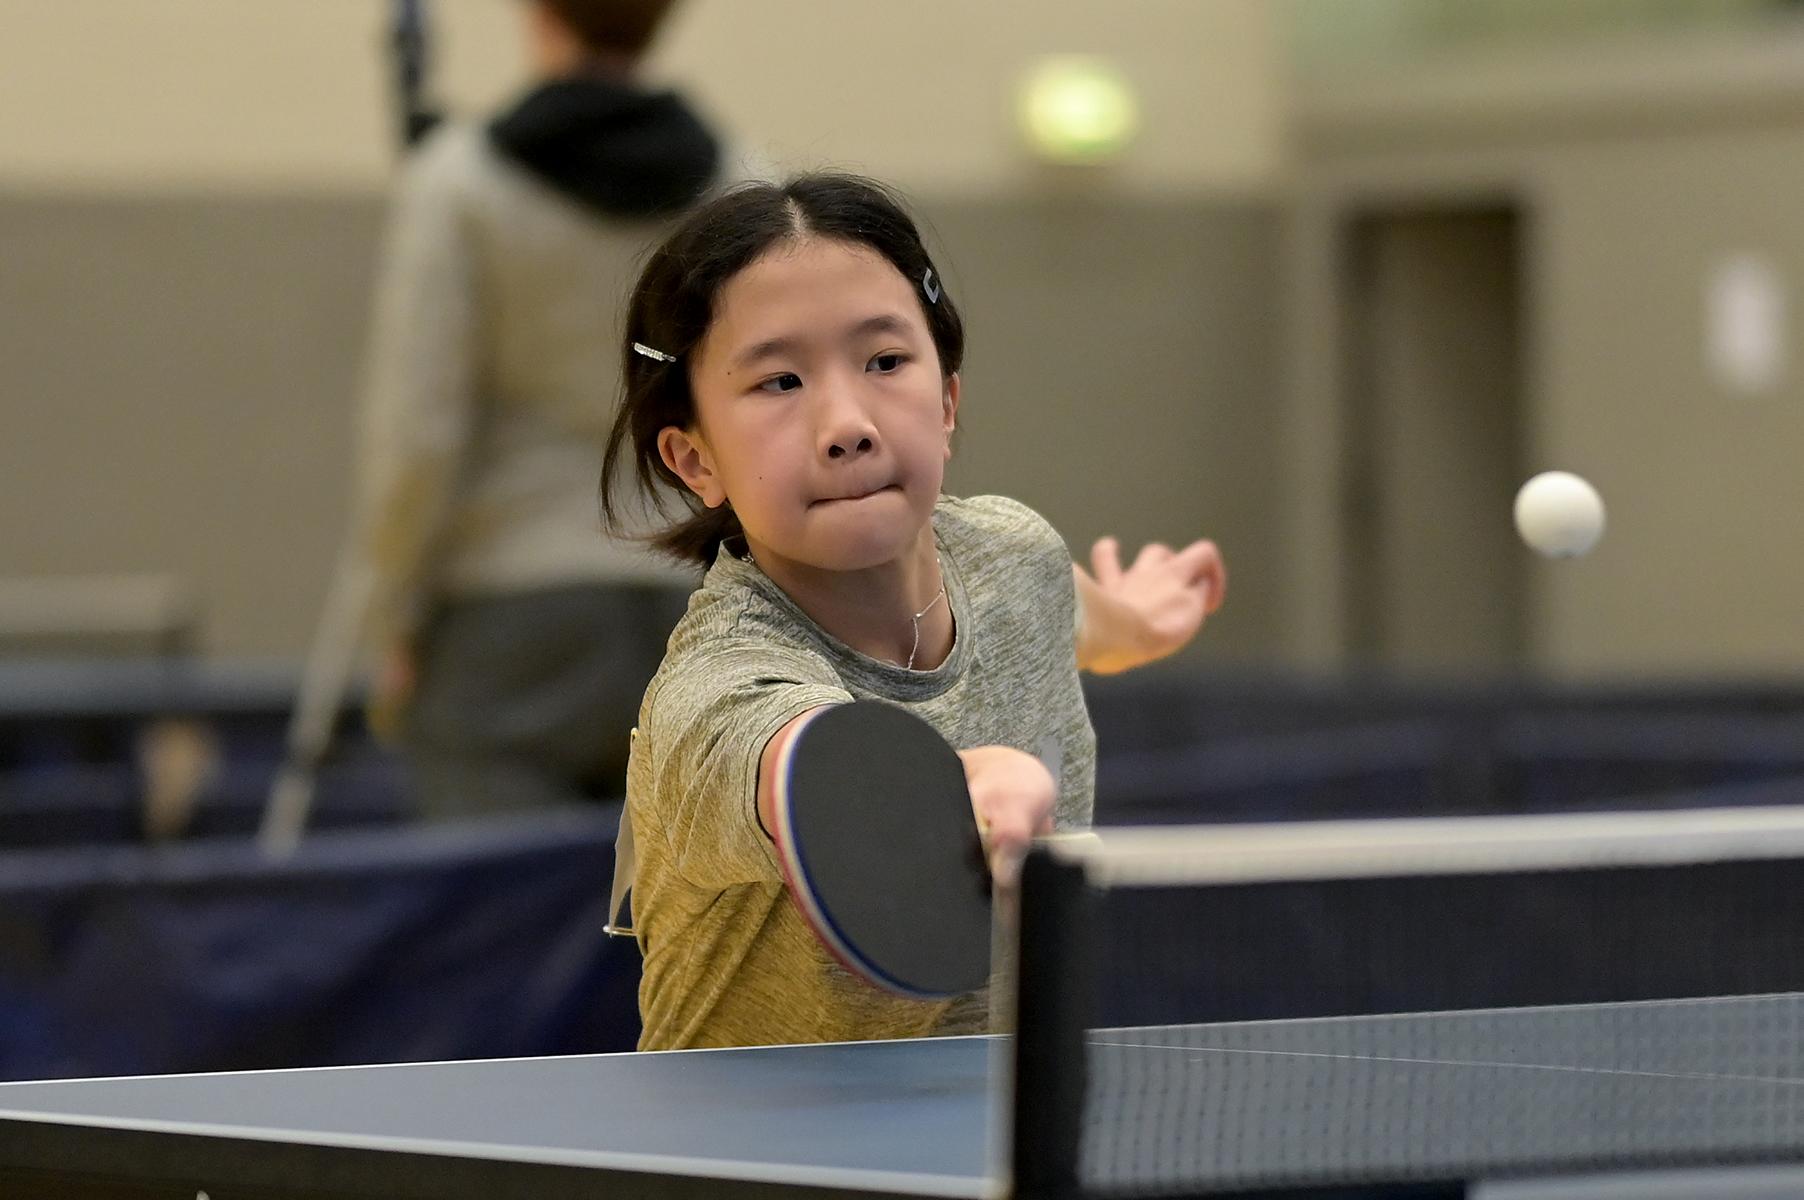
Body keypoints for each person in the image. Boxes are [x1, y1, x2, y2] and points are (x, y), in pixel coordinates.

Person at [602, 173, 1228, 1050]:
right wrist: (963, 786)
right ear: (694, 460)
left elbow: (1070, 614)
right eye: (780, 381)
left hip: (1003, 1115)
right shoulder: (716, 689)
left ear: (946, 404)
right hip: (761, 1138)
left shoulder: (1015, 559)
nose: (846, 424)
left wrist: (1137, 622)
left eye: (885, 362)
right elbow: (813, 773)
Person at [353, 0, 743, 817]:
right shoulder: (744, 185)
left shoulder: (457, 184)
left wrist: (393, 612)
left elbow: (418, 435)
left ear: (538, 14)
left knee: (503, 894)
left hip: (506, 612)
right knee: (684, 897)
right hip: (697, 603)